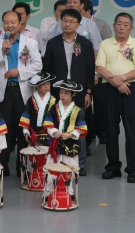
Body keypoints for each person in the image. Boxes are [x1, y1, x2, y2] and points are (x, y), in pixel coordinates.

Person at [0, 11, 42, 176]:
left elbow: (38, 65)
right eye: (6, 22)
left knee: (22, 129)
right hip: (3, 91)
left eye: (13, 22)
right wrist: (1, 52)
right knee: (3, 130)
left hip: (22, 90)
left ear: (20, 23)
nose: (9, 25)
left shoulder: (30, 43)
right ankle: (2, 167)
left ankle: (22, 168)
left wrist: (19, 71)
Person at [43, 9, 94, 176]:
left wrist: (88, 92)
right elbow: (47, 69)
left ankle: (80, 163)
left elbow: (89, 69)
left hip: (78, 92)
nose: (68, 24)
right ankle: (58, 159)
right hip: (59, 92)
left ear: (78, 24)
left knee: (78, 127)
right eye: (65, 20)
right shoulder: (53, 43)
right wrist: (49, 89)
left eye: (72, 21)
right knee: (58, 125)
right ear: (60, 22)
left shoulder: (85, 44)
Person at [96, 13, 135, 183]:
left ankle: (133, 169)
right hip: (109, 89)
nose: (121, 27)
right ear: (114, 25)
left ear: (131, 28)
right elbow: (100, 67)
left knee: (132, 131)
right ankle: (113, 167)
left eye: (126, 24)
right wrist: (116, 82)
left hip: (130, 90)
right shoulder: (105, 44)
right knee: (110, 130)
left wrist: (122, 78)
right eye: (119, 24)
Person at [43, 79, 87, 201]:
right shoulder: (54, 108)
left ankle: (69, 190)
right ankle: (48, 192)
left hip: (70, 144)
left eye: (66, 93)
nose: (62, 95)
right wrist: (53, 131)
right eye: (61, 92)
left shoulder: (77, 111)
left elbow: (81, 128)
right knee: (52, 166)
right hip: (55, 143)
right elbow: (48, 123)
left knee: (69, 167)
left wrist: (70, 134)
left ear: (73, 94)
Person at [83, 0, 112, 145]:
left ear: (87, 10)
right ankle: (89, 133)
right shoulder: (74, 25)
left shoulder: (102, 24)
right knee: (85, 104)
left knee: (100, 104)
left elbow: (108, 47)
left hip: (99, 71)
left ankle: (102, 133)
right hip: (83, 72)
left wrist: (98, 70)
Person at [19, 72, 57, 147]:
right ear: (36, 86)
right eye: (44, 84)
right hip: (34, 135)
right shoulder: (31, 100)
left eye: (48, 84)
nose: (46, 86)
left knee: (48, 157)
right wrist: (26, 131)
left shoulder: (53, 100)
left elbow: (56, 117)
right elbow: (26, 116)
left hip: (49, 134)